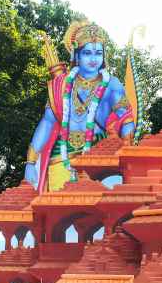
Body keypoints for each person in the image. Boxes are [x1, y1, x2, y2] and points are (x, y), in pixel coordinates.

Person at [24, 21, 136, 192]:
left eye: (98, 53)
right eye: (87, 53)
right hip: (61, 157)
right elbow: (47, 123)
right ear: (76, 55)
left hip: (98, 156)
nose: (93, 59)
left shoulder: (111, 84)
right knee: (60, 211)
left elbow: (126, 118)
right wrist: (31, 161)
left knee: (99, 210)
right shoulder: (60, 85)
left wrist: (127, 143)